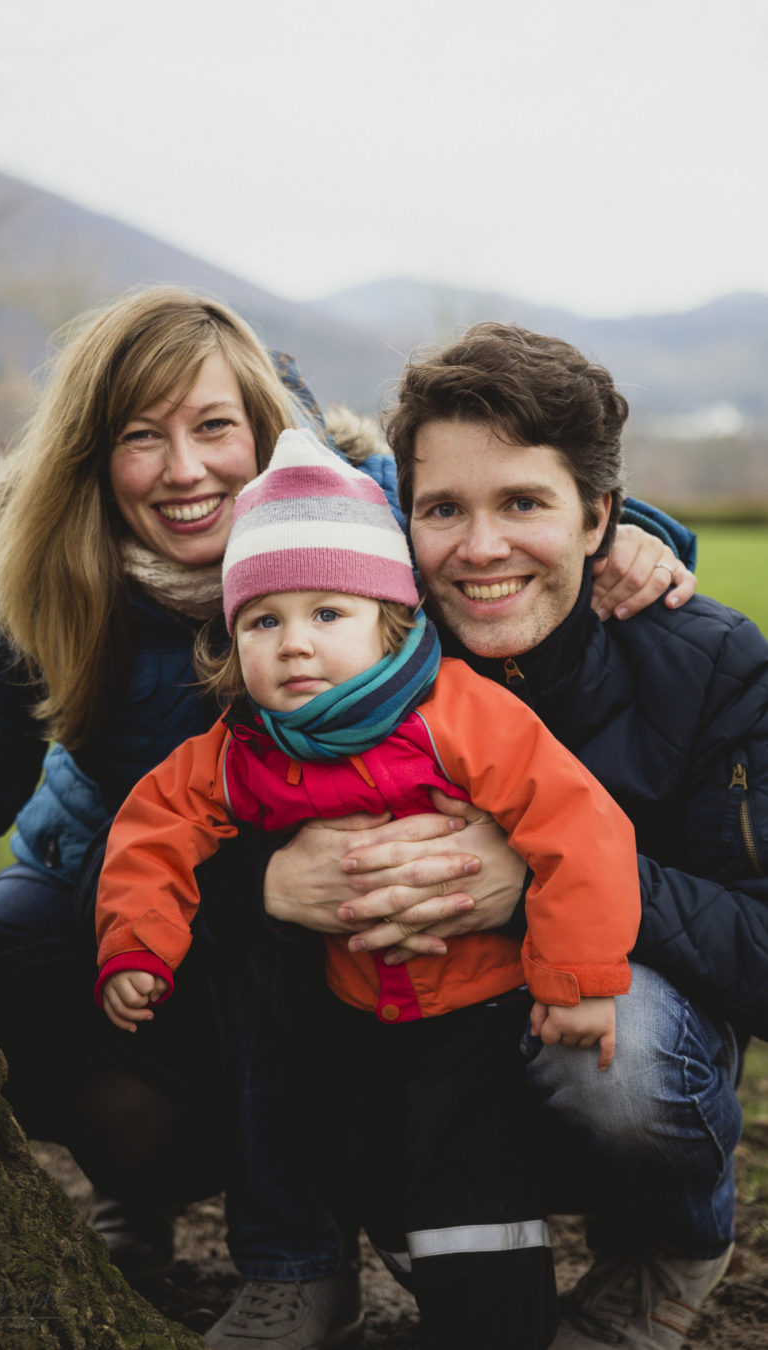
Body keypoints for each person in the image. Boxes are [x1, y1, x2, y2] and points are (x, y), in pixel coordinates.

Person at [0, 283, 694, 1345]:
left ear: (263, 427)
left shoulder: (356, 510)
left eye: (215, 427)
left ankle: (310, 1259)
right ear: (95, 456)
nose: (185, 471)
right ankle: (139, 1179)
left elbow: (492, 522)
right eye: (142, 438)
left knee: (329, 1007)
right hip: (110, 866)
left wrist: (633, 532)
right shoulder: (43, 562)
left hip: (350, 895)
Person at [242, 322, 767, 1349]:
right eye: (444, 509)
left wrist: (546, 877)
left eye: (524, 503)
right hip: (422, 1041)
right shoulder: (354, 655)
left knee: (626, 1053)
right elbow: (194, 815)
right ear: (404, 522)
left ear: (598, 517)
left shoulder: (711, 667)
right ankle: (373, 1248)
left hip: (602, 1051)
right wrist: (266, 880)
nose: (480, 549)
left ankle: (672, 1245)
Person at [94, 425, 640, 1349]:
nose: (294, 645)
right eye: (264, 622)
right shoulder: (242, 749)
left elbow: (578, 826)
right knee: (371, 1172)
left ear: (390, 622)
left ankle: (499, 1321)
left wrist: (579, 976)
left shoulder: (457, 714)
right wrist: (136, 945)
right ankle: (403, 1273)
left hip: (476, 1013)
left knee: (477, 1198)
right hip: (345, 1016)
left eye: (327, 615)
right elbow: (152, 833)